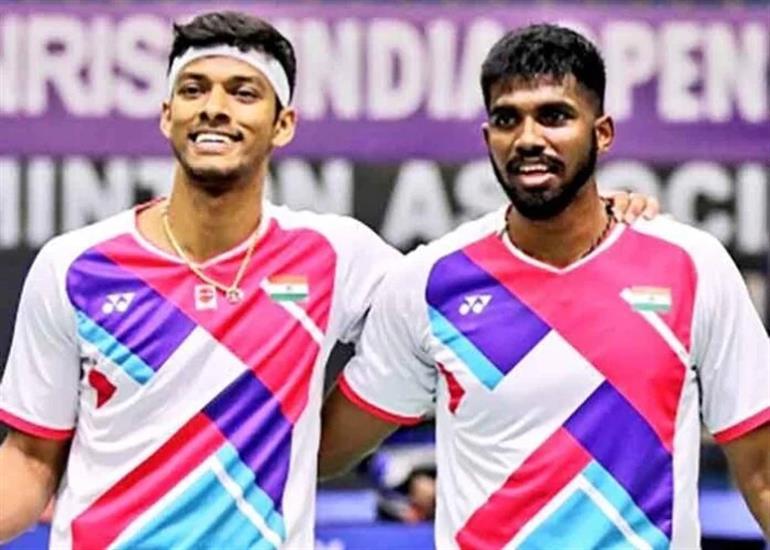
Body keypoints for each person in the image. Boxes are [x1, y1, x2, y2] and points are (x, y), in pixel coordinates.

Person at [0, 11, 657, 549]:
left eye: (243, 92)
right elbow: (29, 462)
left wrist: (594, 218)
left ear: (283, 124)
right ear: (167, 114)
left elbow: (485, 304)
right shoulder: (75, 267)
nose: (214, 109)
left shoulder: (336, 257)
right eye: (195, 90)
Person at [320, 24, 770, 549]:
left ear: (602, 133)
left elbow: (762, 474)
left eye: (554, 116)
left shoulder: (692, 266)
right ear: (488, 138)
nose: (529, 138)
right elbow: (319, 451)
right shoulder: (430, 282)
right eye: (507, 119)